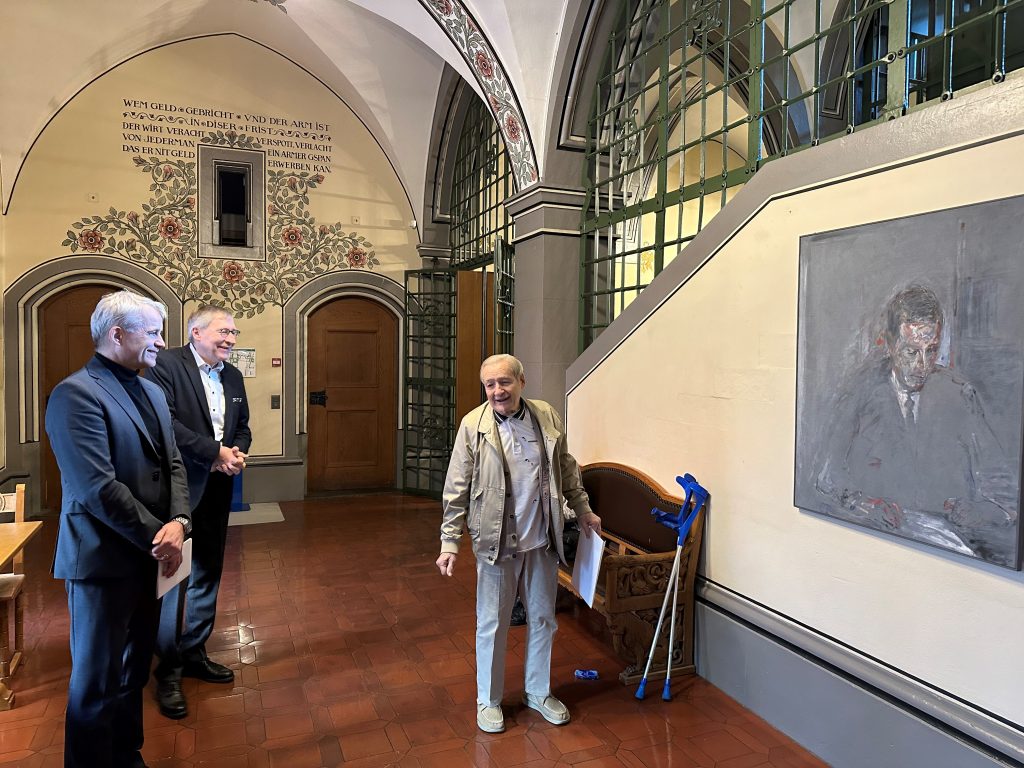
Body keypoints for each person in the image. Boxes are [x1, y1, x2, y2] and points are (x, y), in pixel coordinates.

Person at [45, 290, 190, 768]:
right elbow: (96, 488)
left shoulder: (152, 389)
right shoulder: (75, 393)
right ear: (117, 334)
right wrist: (160, 536)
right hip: (103, 560)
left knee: (133, 673)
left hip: (152, 558)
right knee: (96, 681)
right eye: (153, 332)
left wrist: (182, 522)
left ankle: (126, 756)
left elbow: (173, 463)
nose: (161, 342)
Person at [436, 354, 601, 734]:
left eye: (504, 382)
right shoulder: (471, 426)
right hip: (496, 542)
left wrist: (584, 509)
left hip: (542, 540)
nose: (497, 391)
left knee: (543, 618)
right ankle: (489, 701)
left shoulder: (545, 415)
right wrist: (449, 541)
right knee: (492, 624)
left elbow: (566, 468)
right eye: (490, 384)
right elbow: (456, 487)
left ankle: (538, 692)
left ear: (521, 382)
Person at [814, 284, 1017, 564]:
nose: (923, 365)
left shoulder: (959, 394)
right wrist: (866, 506)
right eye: (911, 352)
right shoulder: (858, 393)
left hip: (954, 551)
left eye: (931, 350)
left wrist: (986, 510)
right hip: (874, 545)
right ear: (888, 343)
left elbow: (1003, 484)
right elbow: (827, 478)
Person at [149, 305, 251, 719]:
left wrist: (236, 453)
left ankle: (194, 652)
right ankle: (167, 669)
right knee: (174, 576)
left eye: (234, 332)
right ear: (195, 332)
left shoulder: (233, 375)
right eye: (223, 331)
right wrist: (214, 453)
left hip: (218, 486)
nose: (230, 339)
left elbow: (242, 424)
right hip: (177, 489)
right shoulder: (166, 366)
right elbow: (166, 424)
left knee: (209, 567)